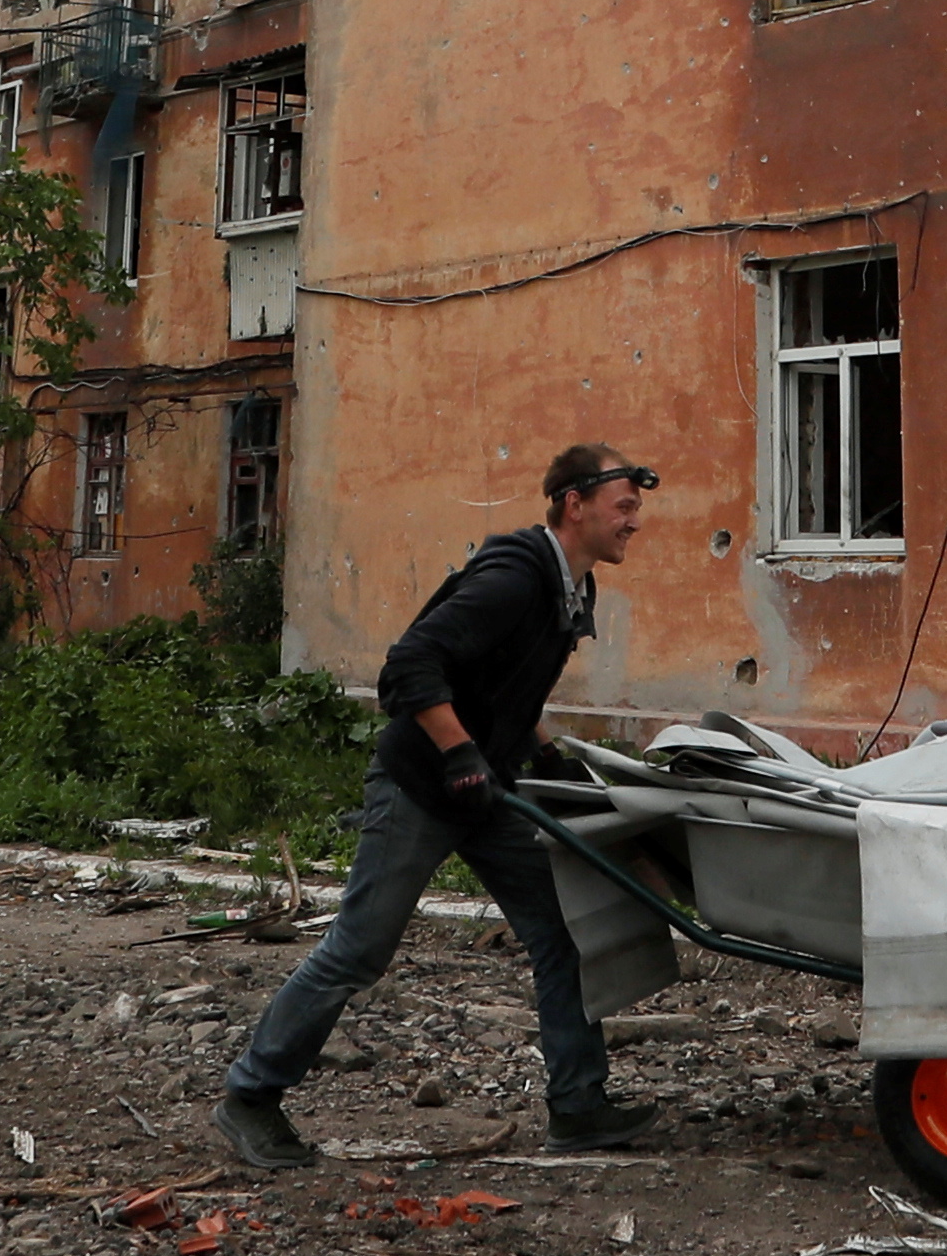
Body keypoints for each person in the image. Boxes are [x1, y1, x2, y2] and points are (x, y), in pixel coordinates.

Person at [212, 441, 662, 1170]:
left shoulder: (570, 587)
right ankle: (250, 1098)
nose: (634, 522)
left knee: (562, 934)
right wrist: (458, 753)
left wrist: (545, 756)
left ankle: (579, 1106)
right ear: (574, 505)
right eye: (625, 507)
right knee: (360, 949)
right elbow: (410, 665)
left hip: (488, 788)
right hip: (423, 785)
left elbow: (509, 683)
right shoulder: (515, 577)